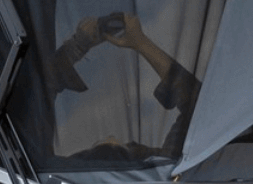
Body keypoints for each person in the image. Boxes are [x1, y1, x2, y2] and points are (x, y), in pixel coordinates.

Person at [50, 10, 200, 154]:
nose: (110, 136)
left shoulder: (54, 173)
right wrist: (141, 42)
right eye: (124, 146)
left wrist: (76, 47)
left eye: (101, 143)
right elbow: (199, 108)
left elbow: (37, 96)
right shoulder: (158, 170)